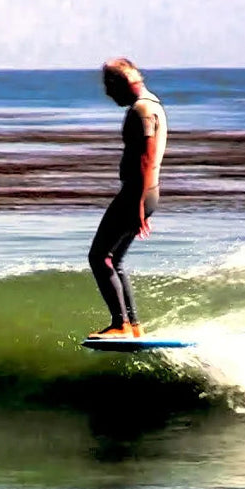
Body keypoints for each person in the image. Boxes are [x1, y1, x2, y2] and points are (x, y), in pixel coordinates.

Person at [87, 57, 167, 339]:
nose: (108, 95)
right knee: (114, 259)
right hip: (145, 192)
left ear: (121, 83)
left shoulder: (142, 109)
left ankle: (120, 324)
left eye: (109, 88)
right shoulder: (152, 104)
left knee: (99, 257)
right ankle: (132, 326)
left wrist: (138, 204)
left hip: (137, 193)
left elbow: (147, 157)